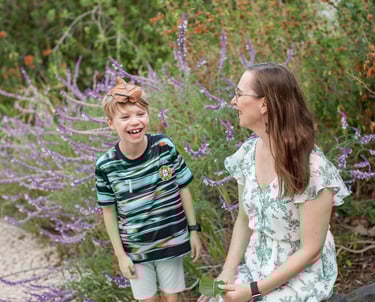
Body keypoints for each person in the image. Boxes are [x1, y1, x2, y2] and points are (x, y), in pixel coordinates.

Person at [198, 63, 350, 302]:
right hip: (257, 265)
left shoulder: (312, 168)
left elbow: (310, 252)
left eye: (239, 94)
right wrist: (227, 273)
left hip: (301, 276)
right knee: (212, 298)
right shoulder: (247, 155)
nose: (232, 102)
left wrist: (254, 290)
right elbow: (244, 219)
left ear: (264, 104)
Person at [95, 77, 202, 302]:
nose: (135, 121)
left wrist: (194, 230)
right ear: (110, 123)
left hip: (170, 241)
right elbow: (108, 212)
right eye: (125, 117)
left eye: (140, 114)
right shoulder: (106, 166)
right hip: (136, 250)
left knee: (172, 299)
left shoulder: (164, 147)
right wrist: (120, 255)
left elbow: (183, 187)